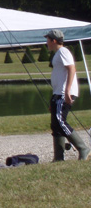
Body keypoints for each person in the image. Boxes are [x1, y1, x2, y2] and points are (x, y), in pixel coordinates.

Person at [45, 29, 90, 161]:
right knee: (55, 124)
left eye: (47, 39)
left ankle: (83, 148)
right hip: (58, 93)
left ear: (53, 40)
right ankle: (58, 158)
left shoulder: (63, 52)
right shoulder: (58, 54)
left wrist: (67, 91)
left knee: (60, 121)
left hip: (63, 93)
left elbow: (72, 69)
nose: (46, 42)